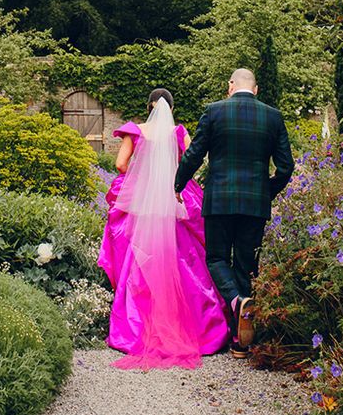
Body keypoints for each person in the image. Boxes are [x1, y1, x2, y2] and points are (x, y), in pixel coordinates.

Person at [98, 88, 228, 369]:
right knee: (187, 261)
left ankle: (138, 329)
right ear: (172, 108)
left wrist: (141, 175)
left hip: (142, 203)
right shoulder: (179, 132)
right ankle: (195, 328)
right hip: (174, 202)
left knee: (138, 258)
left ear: (149, 108)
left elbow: (120, 164)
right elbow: (194, 161)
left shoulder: (136, 131)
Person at [174, 68, 294, 359]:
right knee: (246, 265)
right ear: (256, 89)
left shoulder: (214, 112)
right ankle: (243, 342)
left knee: (216, 258)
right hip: (255, 204)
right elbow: (286, 167)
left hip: (220, 201)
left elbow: (195, 153)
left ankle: (238, 301)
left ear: (230, 85)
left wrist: (178, 182)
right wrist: (267, 191)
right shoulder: (273, 116)